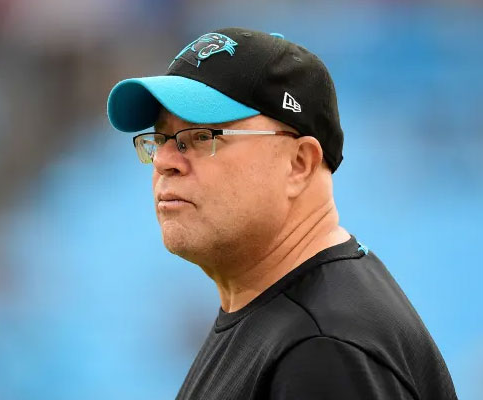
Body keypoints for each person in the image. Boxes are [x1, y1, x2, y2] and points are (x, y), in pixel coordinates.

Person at [106, 28, 457, 399]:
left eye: (202, 136)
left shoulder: (323, 350)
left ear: (299, 164)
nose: (162, 161)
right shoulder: (278, 312)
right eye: (160, 139)